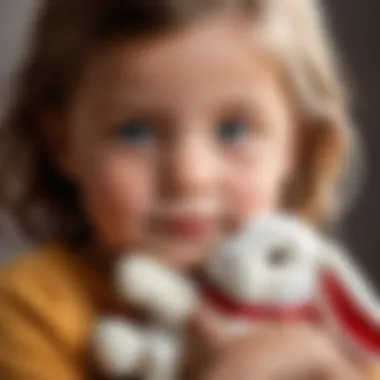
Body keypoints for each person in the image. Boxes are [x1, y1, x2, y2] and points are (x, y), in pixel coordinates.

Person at [0, 0, 371, 379]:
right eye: (136, 132)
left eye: (233, 130)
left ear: (298, 144)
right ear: (61, 142)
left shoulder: (328, 311)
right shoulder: (32, 308)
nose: (189, 175)